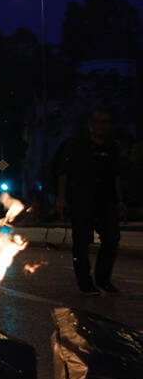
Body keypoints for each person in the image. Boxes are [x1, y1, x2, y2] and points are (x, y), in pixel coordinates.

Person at [57, 108, 124, 296]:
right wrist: (61, 198)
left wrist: (119, 199)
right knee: (81, 242)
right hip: (81, 200)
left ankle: (103, 279)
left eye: (105, 122)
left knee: (111, 239)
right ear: (90, 124)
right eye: (98, 122)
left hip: (106, 201)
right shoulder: (77, 146)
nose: (101, 126)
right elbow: (64, 173)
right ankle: (85, 282)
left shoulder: (112, 148)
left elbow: (116, 175)